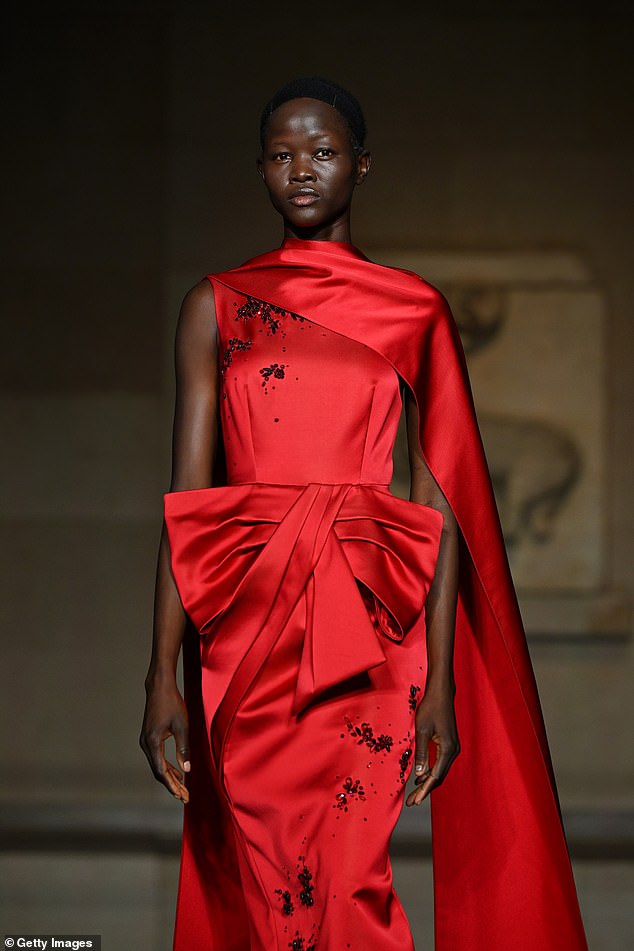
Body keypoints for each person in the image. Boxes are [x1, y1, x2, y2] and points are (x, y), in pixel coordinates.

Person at [140, 78, 588, 951]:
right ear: (261, 170)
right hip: (245, 634)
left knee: (348, 882)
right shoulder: (215, 305)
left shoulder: (414, 310)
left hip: (371, 636)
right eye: (280, 155)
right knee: (270, 885)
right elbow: (185, 505)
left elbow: (442, 495)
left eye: (322, 151)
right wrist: (162, 669)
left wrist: (443, 683)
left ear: (362, 164)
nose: (300, 170)